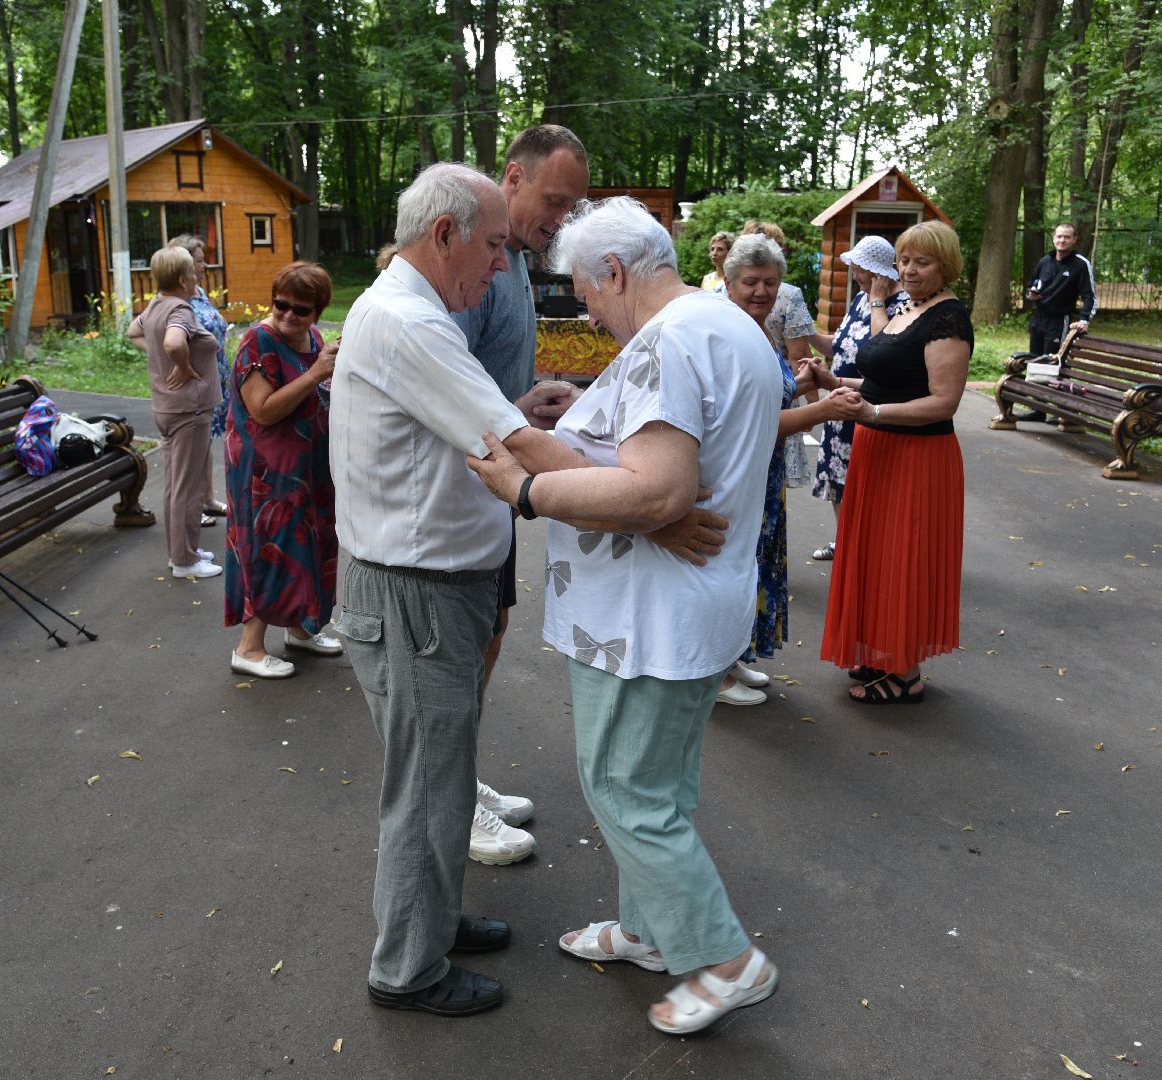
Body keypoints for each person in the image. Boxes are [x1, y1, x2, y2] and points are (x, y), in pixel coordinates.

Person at [466, 196, 818, 1034]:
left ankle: (725, 959)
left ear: (616, 272)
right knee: (658, 784)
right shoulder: (725, 324)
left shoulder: (667, 341)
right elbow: (678, 450)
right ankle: (649, 931)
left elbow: (657, 490)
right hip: (690, 607)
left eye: (588, 292)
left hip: (641, 620)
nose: (588, 312)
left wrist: (526, 489)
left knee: (626, 791)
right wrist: (592, 412)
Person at [330, 162, 590, 1017]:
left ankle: (431, 921)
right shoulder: (411, 322)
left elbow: (471, 430)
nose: (503, 266)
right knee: (428, 788)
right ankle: (408, 968)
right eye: (495, 247)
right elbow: (516, 446)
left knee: (441, 774)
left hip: (427, 589)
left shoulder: (410, 314)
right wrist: (648, 500)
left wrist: (517, 416)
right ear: (445, 235)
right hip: (417, 595)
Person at [447, 123, 590, 867]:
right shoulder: (482, 262)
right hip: (465, 489)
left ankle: (459, 775)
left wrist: (522, 404)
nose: (562, 219)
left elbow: (483, 383)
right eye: (555, 200)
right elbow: (446, 383)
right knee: (464, 645)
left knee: (492, 632)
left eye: (571, 206)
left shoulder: (517, 261)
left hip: (495, 480)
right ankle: (451, 797)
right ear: (513, 176)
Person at [810, 220, 972, 705]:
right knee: (877, 557)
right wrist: (833, 381)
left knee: (904, 559)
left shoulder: (947, 318)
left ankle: (905, 674)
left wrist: (874, 413)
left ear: (946, 266)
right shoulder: (907, 308)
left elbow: (942, 402)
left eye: (922, 262)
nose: (910, 269)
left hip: (916, 457)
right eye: (904, 260)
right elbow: (889, 382)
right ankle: (884, 653)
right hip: (878, 449)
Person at [717, 234, 866, 706]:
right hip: (737, 475)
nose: (761, 291)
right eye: (750, 282)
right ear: (728, 282)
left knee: (753, 566)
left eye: (770, 282)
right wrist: (824, 409)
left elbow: (768, 399)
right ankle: (712, 674)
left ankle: (730, 657)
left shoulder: (758, 329)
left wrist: (802, 383)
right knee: (731, 567)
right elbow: (751, 424)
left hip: (765, 472)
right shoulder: (727, 332)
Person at [221, 261, 342, 680]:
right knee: (270, 548)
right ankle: (249, 649)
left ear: (317, 312)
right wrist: (316, 373)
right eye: (281, 304)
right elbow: (263, 410)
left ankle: (302, 629)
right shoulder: (258, 341)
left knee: (314, 541)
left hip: (308, 466)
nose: (288, 314)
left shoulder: (313, 338)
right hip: (266, 472)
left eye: (301, 309)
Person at [803, 235, 905, 562]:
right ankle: (845, 542)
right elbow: (839, 345)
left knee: (868, 481)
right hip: (840, 405)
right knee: (838, 474)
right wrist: (804, 331)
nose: (855, 275)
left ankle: (873, 549)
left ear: (877, 272)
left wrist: (878, 301)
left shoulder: (900, 305)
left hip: (870, 407)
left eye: (860, 269)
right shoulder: (861, 299)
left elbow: (883, 357)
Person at [132, 245, 223, 579]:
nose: (197, 275)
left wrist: (160, 355)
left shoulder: (155, 305)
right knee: (188, 488)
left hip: (168, 407)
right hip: (188, 410)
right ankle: (185, 561)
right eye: (192, 272)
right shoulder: (180, 310)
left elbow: (133, 331)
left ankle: (182, 552)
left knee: (176, 485)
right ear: (183, 279)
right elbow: (173, 342)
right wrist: (182, 365)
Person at [740, 220, 814, 487]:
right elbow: (798, 355)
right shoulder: (789, 295)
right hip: (778, 400)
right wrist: (813, 407)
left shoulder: (719, 292)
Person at [170, 234, 232, 527]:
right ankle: (193, 507)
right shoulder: (175, 301)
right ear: (183, 265)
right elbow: (152, 336)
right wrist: (181, 365)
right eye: (198, 260)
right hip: (194, 382)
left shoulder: (199, 293)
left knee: (204, 443)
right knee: (191, 449)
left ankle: (207, 498)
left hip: (214, 378)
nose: (204, 265)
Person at [1019, 222, 1097, 423]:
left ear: (1074, 240)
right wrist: (1031, 294)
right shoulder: (1045, 261)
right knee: (1036, 364)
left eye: (1067, 237)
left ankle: (1064, 412)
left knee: (1055, 365)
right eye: (1059, 236)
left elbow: (1090, 296)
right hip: (1039, 319)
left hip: (1059, 321)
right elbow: (1031, 286)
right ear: (1054, 238)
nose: (1062, 240)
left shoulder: (1080, 264)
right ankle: (1038, 410)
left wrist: (1084, 319)